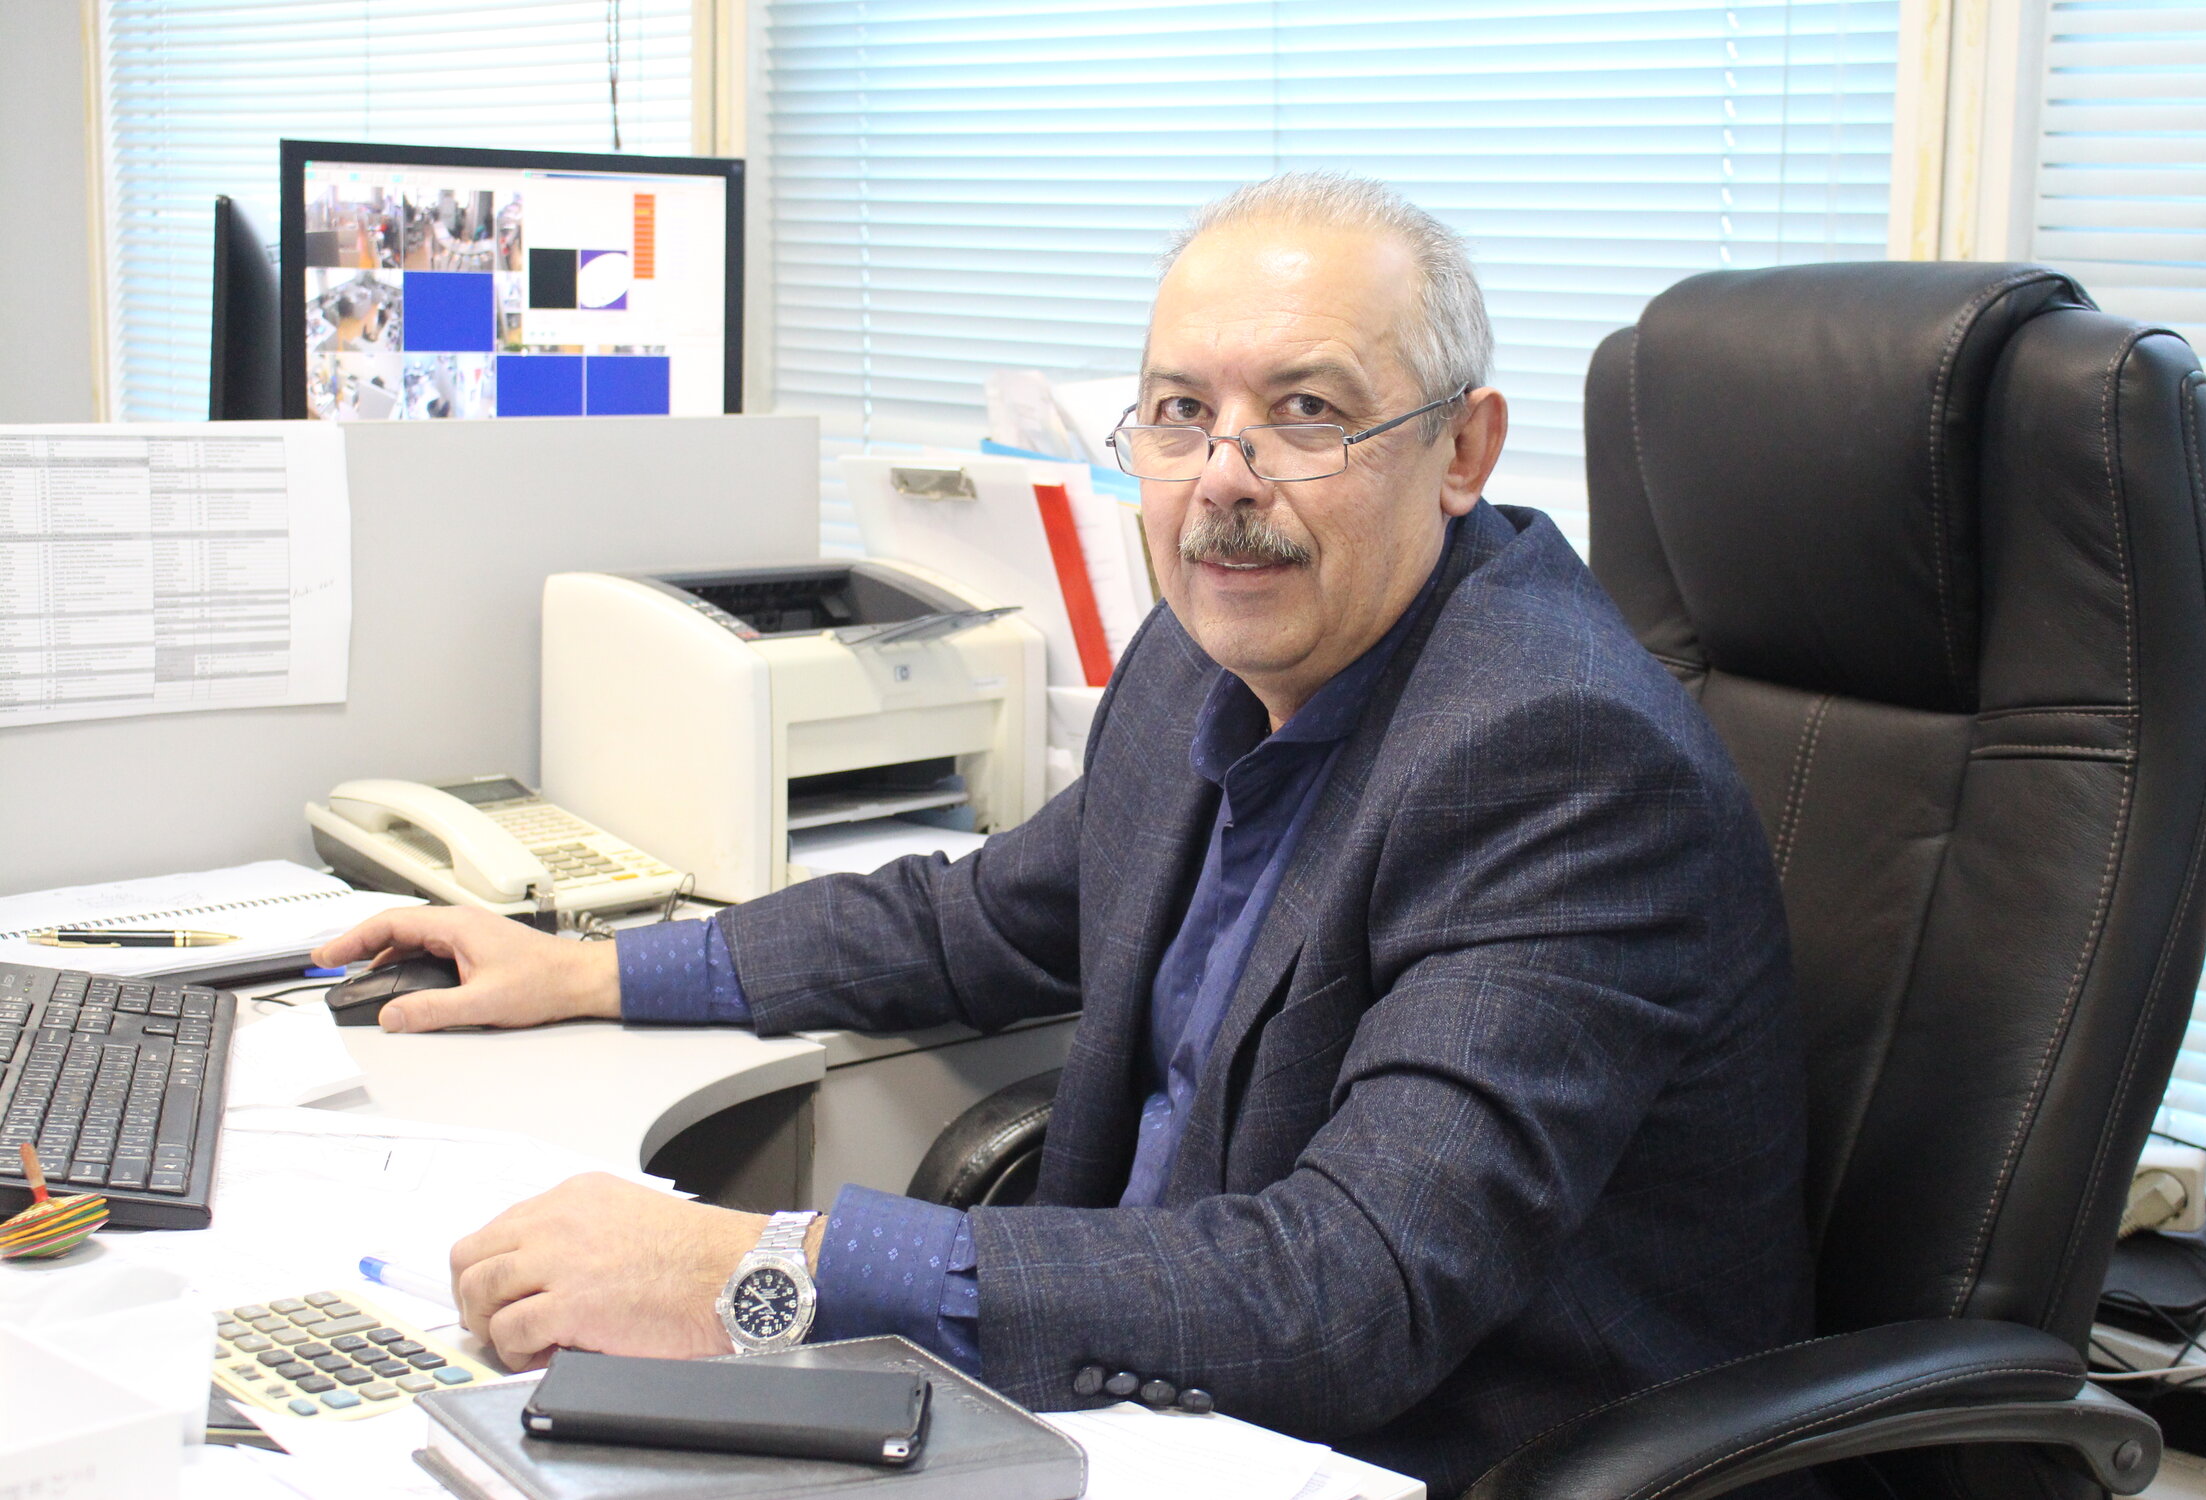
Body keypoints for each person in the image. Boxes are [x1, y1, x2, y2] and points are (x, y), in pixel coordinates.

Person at [315, 173, 1812, 1498]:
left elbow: (1349, 1292)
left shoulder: (1559, 758)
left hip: (1428, 1451)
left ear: (1461, 450)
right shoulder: (1205, 654)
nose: (1223, 478)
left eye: (1306, 412)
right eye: (1180, 413)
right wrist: (594, 970)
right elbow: (981, 918)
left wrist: (767, 1265)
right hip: (1153, 1403)